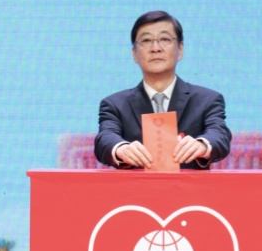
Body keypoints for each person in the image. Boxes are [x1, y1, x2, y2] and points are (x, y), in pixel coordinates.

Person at [95, 11, 231, 169]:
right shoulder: (115, 104)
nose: (155, 48)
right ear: (135, 54)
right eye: (146, 40)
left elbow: (219, 134)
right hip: (137, 185)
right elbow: (105, 138)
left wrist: (202, 145)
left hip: (188, 185)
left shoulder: (206, 100)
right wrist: (121, 149)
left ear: (180, 49)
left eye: (165, 39)